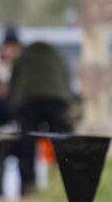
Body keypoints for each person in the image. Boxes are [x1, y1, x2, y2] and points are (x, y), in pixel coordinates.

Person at [8, 40, 74, 194]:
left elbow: (13, 84)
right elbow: (67, 79)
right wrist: (68, 103)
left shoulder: (23, 57)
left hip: (29, 100)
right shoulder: (57, 56)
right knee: (60, 143)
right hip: (56, 101)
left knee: (27, 144)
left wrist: (13, 110)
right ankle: (63, 185)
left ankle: (28, 186)